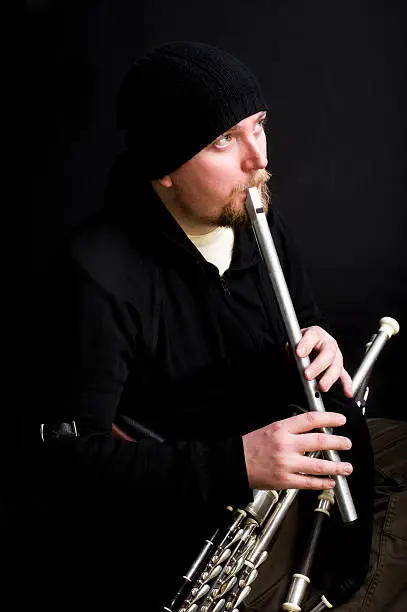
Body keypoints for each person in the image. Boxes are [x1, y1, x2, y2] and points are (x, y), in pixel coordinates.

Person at [33, 41, 406, 611]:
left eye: (258, 126)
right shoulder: (97, 274)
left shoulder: (256, 216)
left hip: (285, 460)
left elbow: (303, 319)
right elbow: (68, 463)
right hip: (201, 519)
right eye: (222, 140)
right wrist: (236, 464)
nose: (258, 159)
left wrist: (320, 340)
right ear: (165, 170)